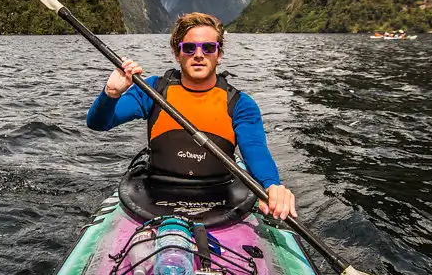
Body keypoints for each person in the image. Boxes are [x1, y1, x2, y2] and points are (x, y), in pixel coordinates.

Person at [86, 12, 297, 220]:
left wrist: (271, 185)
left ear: (219, 54)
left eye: (208, 47)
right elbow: (98, 123)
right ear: (177, 54)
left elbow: (255, 150)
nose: (198, 54)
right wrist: (110, 94)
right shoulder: (152, 90)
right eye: (188, 48)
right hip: (156, 191)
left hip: (219, 193)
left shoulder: (240, 104)